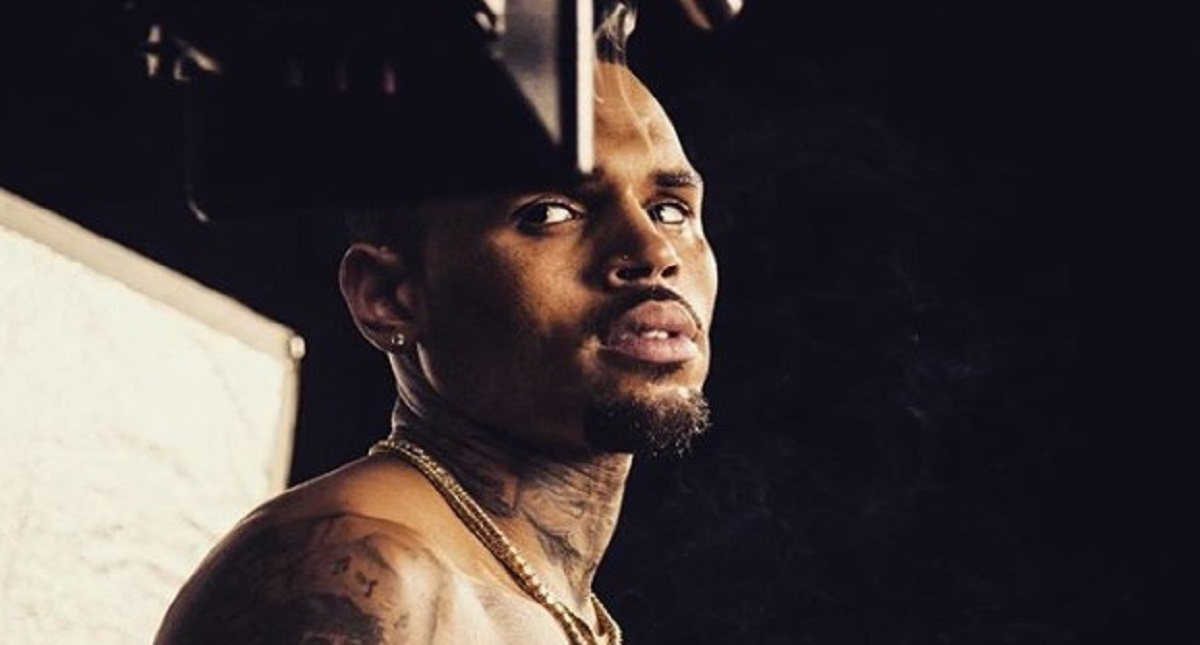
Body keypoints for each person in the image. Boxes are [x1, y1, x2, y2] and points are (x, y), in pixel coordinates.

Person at [155, 23, 719, 645]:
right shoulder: (357, 572)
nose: (654, 251)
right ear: (388, 297)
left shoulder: (552, 605)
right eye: (549, 212)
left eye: (670, 209)